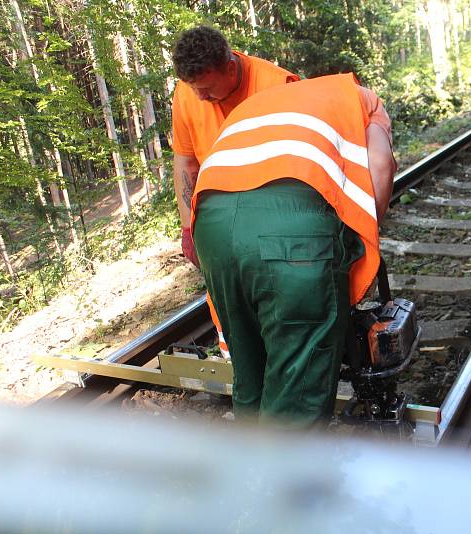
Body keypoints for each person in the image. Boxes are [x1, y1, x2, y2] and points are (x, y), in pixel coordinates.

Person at [188, 73, 396, 427]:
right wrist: (361, 251)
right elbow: (380, 165)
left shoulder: (259, 105)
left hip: (212, 227)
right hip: (293, 226)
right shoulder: (362, 98)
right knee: (298, 372)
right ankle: (285, 478)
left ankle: (251, 471)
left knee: (250, 363)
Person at [171, 26, 299, 358]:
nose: (200, 97)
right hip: (219, 219)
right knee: (228, 302)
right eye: (194, 88)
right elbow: (186, 161)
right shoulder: (188, 92)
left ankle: (288, 363)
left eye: (207, 88)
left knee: (280, 302)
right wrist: (189, 227)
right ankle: (239, 362)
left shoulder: (279, 86)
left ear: (230, 67)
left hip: (274, 218)